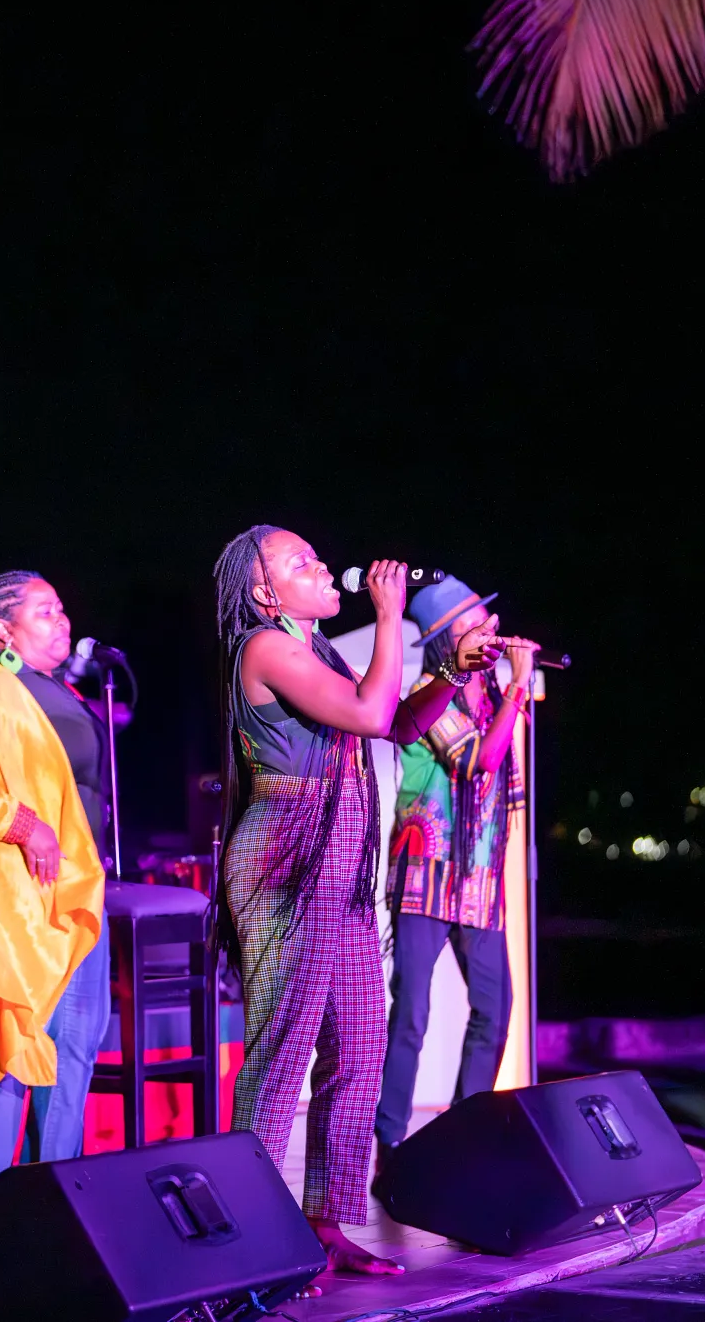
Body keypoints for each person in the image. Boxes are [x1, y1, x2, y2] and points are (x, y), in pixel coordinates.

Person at [212, 525, 500, 1275]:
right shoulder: (266, 647)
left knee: (359, 1048)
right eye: (297, 563)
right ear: (265, 590)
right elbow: (373, 714)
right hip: (287, 855)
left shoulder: (318, 650)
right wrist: (391, 610)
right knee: (282, 1053)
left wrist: (449, 671)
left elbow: (398, 723)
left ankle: (325, 1221)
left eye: (314, 555)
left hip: (339, 858)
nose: (318, 566)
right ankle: (254, 1234)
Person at [0, 571, 108, 1189]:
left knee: (75, 1049)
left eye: (62, 608)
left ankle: (56, 1207)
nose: (61, 620)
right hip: (15, 898)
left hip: (78, 888)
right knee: (7, 1046)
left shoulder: (65, 691)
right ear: (4, 629)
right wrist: (25, 824)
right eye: (43, 611)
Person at [373, 576, 537, 1163]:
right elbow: (477, 760)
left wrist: (508, 689)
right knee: (411, 1013)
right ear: (449, 640)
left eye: (490, 623)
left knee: (496, 1008)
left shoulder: (491, 696)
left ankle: (466, 1127)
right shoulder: (427, 693)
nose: (493, 631)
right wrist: (521, 685)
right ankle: (389, 1137)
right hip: (426, 874)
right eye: (479, 624)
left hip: (478, 879)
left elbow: (503, 787)